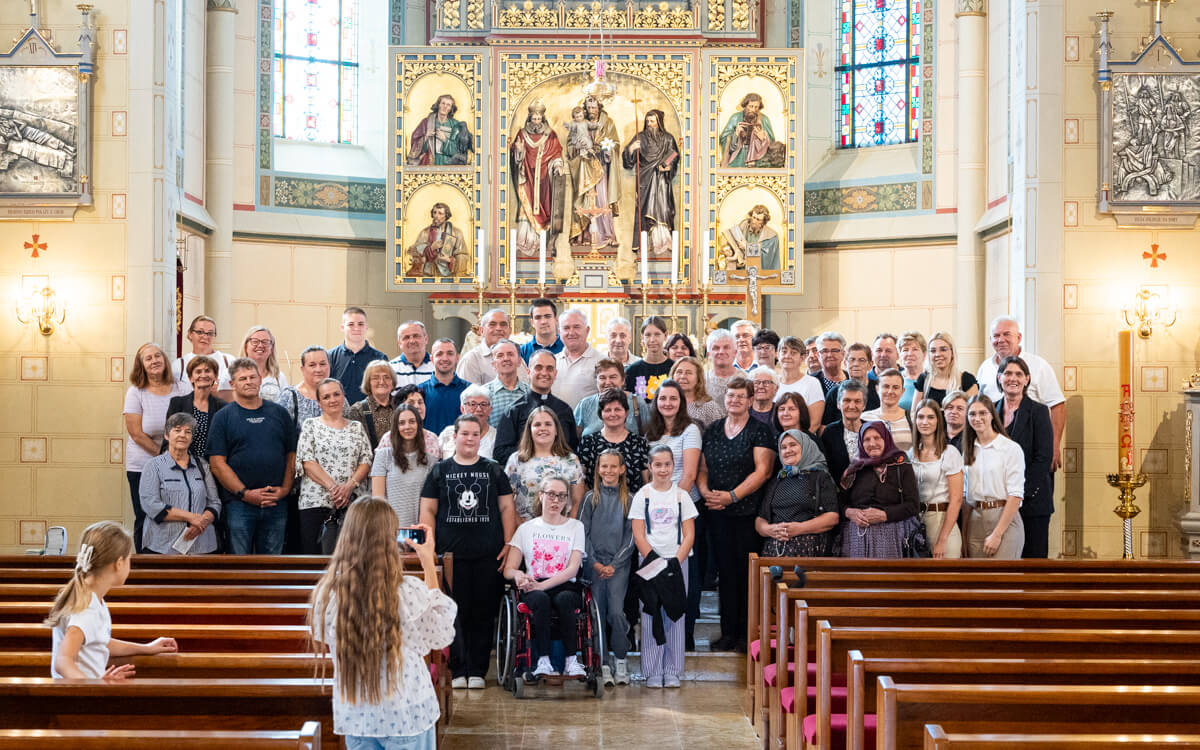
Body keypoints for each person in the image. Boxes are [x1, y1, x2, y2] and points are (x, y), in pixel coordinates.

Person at [309, 497, 455, 750]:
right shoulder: (407, 591)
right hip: (406, 713)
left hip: (358, 714)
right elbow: (440, 635)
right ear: (390, 541)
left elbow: (324, 637)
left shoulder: (328, 594)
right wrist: (428, 564)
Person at [419, 415, 517, 689]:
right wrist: (430, 548)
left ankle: (477, 670)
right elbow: (428, 510)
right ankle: (458, 669)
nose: (470, 438)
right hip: (451, 556)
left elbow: (507, 508)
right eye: (465, 434)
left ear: (480, 438)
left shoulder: (493, 470)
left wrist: (508, 543)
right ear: (455, 436)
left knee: (483, 613)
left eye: (475, 434)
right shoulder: (440, 471)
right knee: (454, 613)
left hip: (489, 554)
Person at [697, 377, 774, 652]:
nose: (735, 400)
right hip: (717, 513)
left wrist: (732, 496)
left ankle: (746, 635)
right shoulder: (714, 429)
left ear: (751, 400)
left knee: (746, 575)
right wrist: (706, 493)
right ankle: (727, 632)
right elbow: (703, 468)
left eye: (741, 396)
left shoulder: (760, 431)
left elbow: (763, 471)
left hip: (746, 514)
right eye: (731, 395)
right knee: (725, 574)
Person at [46, 521, 178, 680]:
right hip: (80, 694)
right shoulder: (87, 608)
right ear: (119, 563)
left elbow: (100, 642)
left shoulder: (90, 597)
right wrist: (94, 685)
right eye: (129, 559)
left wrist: (146, 648)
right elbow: (63, 661)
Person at [208, 358, 297, 555]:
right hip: (239, 504)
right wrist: (245, 494)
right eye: (243, 378)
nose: (249, 382)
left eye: (252, 377)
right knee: (239, 565)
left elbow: (292, 455)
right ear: (232, 384)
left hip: (276, 502)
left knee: (273, 566)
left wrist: (284, 489)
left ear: (260, 380)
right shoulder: (222, 417)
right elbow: (217, 464)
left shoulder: (280, 413)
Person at [504, 475, 588, 679]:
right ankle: (543, 661)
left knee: (565, 599)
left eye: (561, 496)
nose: (556, 500)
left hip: (565, 584)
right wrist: (519, 575)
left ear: (567, 500)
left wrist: (543, 586)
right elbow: (509, 569)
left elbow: (573, 569)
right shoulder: (526, 529)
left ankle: (571, 661)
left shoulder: (576, 527)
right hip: (534, 584)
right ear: (541, 496)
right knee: (540, 600)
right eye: (551, 494)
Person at [630, 446, 697, 688]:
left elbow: (689, 534)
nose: (662, 469)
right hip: (649, 563)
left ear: (673, 466)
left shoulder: (682, 496)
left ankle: (672, 670)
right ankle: (652, 670)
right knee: (650, 614)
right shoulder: (642, 495)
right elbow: (639, 534)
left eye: (667, 464)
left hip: (676, 563)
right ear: (650, 467)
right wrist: (654, 562)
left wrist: (674, 562)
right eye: (657, 464)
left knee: (675, 615)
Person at [647, 380, 704, 650]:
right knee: (656, 573)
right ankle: (658, 636)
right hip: (654, 513)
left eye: (673, 398)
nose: (667, 403)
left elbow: (689, 474)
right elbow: (649, 472)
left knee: (683, 574)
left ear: (681, 402)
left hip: (683, 510)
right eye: (663, 398)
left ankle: (686, 634)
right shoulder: (651, 431)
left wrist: (671, 505)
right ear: (656, 402)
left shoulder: (690, 430)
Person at [975, 315, 1066, 472]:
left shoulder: (1039, 365)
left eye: (1006, 334)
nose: (1001, 340)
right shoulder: (985, 368)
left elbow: (1057, 406)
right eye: (996, 336)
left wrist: (1054, 445)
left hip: (1032, 448)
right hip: (996, 453)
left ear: (1018, 337)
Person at [296, 379, 373, 554]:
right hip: (316, 503)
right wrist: (334, 489)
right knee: (315, 562)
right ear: (319, 402)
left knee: (350, 559)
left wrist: (348, 487)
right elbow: (307, 461)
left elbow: (366, 460)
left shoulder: (356, 427)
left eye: (336, 394)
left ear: (343, 397)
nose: (332, 400)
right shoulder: (310, 425)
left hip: (352, 503)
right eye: (326, 397)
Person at [124, 342, 188, 553]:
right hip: (143, 465)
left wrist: (174, 459)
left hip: (179, 463)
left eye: (158, 356)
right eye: (148, 358)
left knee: (177, 515)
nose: (154, 361)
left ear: (164, 359)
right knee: (146, 516)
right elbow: (136, 433)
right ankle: (144, 563)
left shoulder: (181, 387)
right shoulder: (136, 392)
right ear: (141, 365)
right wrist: (165, 458)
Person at [578, 450, 635, 687]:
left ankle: (620, 658)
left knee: (616, 613)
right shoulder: (590, 498)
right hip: (594, 566)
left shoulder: (629, 500)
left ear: (622, 469)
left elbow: (631, 538)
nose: (608, 471)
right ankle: (601, 662)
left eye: (613, 466)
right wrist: (595, 563)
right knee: (597, 615)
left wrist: (613, 565)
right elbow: (582, 534)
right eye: (604, 466)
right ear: (598, 469)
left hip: (618, 567)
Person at [994, 356, 1054, 559]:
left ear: (1027, 379)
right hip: (999, 502)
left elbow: (1043, 458)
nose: (1013, 378)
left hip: (1032, 502)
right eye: (1008, 373)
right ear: (999, 377)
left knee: (1032, 563)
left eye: (1019, 374)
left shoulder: (1039, 412)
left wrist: (1018, 494)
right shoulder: (990, 411)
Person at [138, 413, 222, 555]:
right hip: (162, 547)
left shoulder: (202, 466)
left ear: (191, 438)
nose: (183, 435)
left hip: (202, 546)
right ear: (166, 435)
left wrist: (201, 523)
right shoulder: (153, 466)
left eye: (188, 432)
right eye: (177, 430)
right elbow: (151, 505)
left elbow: (214, 502)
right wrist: (191, 517)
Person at [838, 421, 920, 559]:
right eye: (866, 439)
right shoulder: (854, 469)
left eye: (877, 438)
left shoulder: (901, 464)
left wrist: (884, 515)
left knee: (888, 573)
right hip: (857, 539)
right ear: (861, 443)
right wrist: (849, 512)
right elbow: (839, 503)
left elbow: (913, 505)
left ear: (886, 438)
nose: (872, 443)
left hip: (892, 537)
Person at [962, 394, 1026, 559]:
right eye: (972, 414)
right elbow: (966, 498)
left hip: (1003, 519)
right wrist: (963, 536)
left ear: (992, 415)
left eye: (982, 413)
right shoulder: (968, 450)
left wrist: (997, 534)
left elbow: (1015, 495)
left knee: (1002, 575)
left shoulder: (1010, 449)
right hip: (975, 520)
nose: (977, 418)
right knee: (977, 575)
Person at [756, 430, 839, 556]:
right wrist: (769, 530)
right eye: (783, 447)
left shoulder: (820, 477)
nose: (788, 450)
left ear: (805, 447)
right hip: (774, 553)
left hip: (810, 551)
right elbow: (760, 520)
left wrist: (799, 528)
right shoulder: (777, 480)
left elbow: (832, 517)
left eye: (793, 445)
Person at [493, 349, 578, 465]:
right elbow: (500, 453)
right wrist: (536, 451)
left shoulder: (565, 409)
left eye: (549, 368)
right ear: (528, 372)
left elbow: (573, 448)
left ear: (555, 374)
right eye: (538, 367)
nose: (544, 373)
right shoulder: (514, 410)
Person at [504, 407, 586, 520]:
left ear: (556, 430)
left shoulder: (571, 460)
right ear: (529, 430)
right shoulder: (516, 460)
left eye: (548, 424)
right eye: (537, 425)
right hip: (525, 526)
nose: (543, 428)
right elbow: (507, 501)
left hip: (562, 527)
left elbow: (578, 500)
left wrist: (568, 526)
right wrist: (521, 526)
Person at [909, 400, 964, 559]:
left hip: (942, 520)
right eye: (920, 417)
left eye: (930, 417)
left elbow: (956, 500)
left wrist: (942, 540)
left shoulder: (950, 452)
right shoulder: (910, 453)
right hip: (918, 522)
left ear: (938, 421)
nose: (925, 422)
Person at [621, 110, 679, 257]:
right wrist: (631, 149)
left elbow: (674, 154)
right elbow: (628, 162)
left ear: (659, 122)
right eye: (647, 121)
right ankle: (646, 243)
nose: (649, 124)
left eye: (652, 121)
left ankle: (664, 240)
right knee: (645, 211)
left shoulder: (668, 139)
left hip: (662, 181)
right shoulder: (640, 138)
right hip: (645, 181)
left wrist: (667, 166)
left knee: (663, 209)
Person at [577, 389, 651, 497]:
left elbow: (646, 482)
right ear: (600, 414)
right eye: (607, 410)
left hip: (632, 505)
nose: (613, 414)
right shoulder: (588, 442)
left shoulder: (639, 443)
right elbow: (580, 481)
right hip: (596, 504)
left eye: (617, 409)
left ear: (626, 412)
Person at [371, 405, 433, 527]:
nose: (407, 427)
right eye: (402, 423)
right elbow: (378, 503)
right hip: (389, 530)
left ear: (419, 425)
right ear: (396, 427)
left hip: (418, 531)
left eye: (412, 421)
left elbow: (430, 507)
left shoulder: (431, 461)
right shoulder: (383, 456)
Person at [162, 355, 228, 462]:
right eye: (198, 371)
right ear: (191, 378)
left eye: (207, 371)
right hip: (181, 464)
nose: (203, 375)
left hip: (211, 467)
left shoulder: (223, 407)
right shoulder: (177, 403)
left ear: (215, 377)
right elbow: (167, 440)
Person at [327, 306, 388, 405]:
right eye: (351, 324)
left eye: (360, 324)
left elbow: (384, 391)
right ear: (342, 327)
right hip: (338, 413)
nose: (356, 328)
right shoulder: (330, 357)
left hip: (370, 413)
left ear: (366, 327)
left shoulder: (380, 358)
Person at [279, 345, 350, 428]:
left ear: (329, 367)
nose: (318, 369)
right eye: (312, 365)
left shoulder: (338, 396)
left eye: (322, 364)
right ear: (303, 369)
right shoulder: (289, 397)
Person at [574, 360, 648, 438]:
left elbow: (648, 435)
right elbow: (574, 438)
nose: (608, 382)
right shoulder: (585, 404)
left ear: (623, 380)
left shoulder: (636, 402)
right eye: (602, 378)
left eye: (613, 377)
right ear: (596, 380)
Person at [457, 309, 529, 385]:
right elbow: (468, 391)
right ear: (482, 330)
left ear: (510, 330)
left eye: (503, 324)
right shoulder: (471, 360)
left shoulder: (518, 359)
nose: (498, 328)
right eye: (492, 324)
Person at [820, 381, 869, 489]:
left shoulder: (873, 430)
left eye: (857, 401)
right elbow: (825, 468)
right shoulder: (830, 433)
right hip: (839, 493)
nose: (852, 406)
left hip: (871, 493)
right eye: (847, 400)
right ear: (838, 404)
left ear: (864, 405)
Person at [913, 331, 978, 409]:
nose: (938, 354)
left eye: (943, 349)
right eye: (933, 351)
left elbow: (974, 412)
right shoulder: (923, 379)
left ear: (952, 353)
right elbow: (914, 412)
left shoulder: (967, 380)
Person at [553, 308, 603, 408]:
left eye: (576, 327)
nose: (571, 333)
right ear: (559, 332)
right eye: (566, 328)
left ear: (587, 330)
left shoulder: (602, 361)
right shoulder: (553, 362)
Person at [171, 315, 232, 396]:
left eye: (210, 333)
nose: (205, 336)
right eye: (200, 332)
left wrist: (221, 392)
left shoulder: (228, 361)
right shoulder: (179, 365)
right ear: (190, 334)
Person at [418, 338, 470, 435]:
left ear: (457, 357)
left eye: (450, 353)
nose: (445, 358)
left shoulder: (469, 390)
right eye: (439, 354)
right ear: (431, 359)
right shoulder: (419, 392)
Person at [821, 342, 880, 425]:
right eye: (852, 360)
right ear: (845, 364)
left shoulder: (879, 390)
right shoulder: (834, 393)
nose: (856, 364)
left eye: (861, 360)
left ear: (870, 365)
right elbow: (824, 426)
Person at [775, 336, 826, 432]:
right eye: (784, 351)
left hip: (803, 438)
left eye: (793, 353)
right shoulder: (772, 382)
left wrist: (796, 439)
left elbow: (814, 423)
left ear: (802, 357)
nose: (787, 356)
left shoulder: (812, 383)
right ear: (777, 355)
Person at [406, 92, 473, 165]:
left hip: (450, 163)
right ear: (438, 105)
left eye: (448, 105)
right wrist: (426, 137)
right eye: (443, 103)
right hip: (430, 162)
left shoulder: (456, 125)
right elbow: (415, 143)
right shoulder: (426, 122)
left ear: (451, 109)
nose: (445, 107)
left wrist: (445, 139)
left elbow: (459, 150)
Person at [405, 203, 469, 277]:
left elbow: (463, 255)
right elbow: (413, 251)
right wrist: (431, 248)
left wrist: (450, 260)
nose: (436, 216)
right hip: (428, 274)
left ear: (446, 216)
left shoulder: (456, 233)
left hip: (448, 276)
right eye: (434, 212)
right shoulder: (425, 233)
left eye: (440, 213)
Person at [347, 360, 398, 449]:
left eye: (386, 377)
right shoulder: (357, 410)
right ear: (368, 382)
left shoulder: (402, 407)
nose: (382, 382)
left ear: (393, 382)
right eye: (376, 378)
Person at [436, 385, 496, 459]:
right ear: (462, 409)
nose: (479, 409)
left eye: (483, 404)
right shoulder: (448, 433)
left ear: (490, 410)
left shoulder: (496, 437)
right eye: (473, 404)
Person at [383, 385, 443, 459]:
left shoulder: (432, 438)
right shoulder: (388, 439)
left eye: (420, 402)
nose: (417, 406)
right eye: (411, 403)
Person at [862, 369, 914, 452]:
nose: (890, 391)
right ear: (877, 389)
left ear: (902, 391)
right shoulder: (864, 418)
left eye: (895, 387)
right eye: (886, 386)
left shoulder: (912, 418)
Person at [483, 339, 531, 428]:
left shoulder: (531, 393)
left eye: (510, 354)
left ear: (519, 361)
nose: (506, 359)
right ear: (493, 364)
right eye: (500, 355)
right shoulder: (483, 394)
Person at [624, 316, 674, 402]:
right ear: (642, 338)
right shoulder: (631, 371)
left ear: (665, 335)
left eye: (657, 334)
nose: (652, 340)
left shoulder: (674, 368)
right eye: (648, 335)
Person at [720, 92, 775, 168]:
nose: (753, 109)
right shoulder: (735, 118)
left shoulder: (764, 120)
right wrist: (735, 135)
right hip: (738, 159)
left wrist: (764, 138)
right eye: (751, 106)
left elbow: (772, 142)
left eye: (756, 107)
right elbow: (724, 138)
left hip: (758, 161)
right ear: (745, 105)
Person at [671, 356, 724, 429]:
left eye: (688, 373)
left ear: (698, 378)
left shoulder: (710, 408)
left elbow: (719, 433)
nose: (682, 376)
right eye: (679, 372)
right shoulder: (665, 404)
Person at [240, 325, 289, 402]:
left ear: (272, 348)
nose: (260, 345)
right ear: (246, 346)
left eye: (265, 342)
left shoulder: (279, 377)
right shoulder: (233, 374)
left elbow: (285, 405)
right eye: (255, 341)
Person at [390, 321, 435, 388]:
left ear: (426, 339)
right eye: (406, 337)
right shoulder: (390, 369)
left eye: (416, 336)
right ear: (399, 343)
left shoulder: (438, 366)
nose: (412, 341)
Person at [519, 298, 564, 364]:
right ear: (532, 322)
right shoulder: (523, 352)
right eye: (538, 317)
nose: (543, 321)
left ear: (556, 319)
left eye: (547, 316)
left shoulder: (567, 347)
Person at [705, 329, 738, 410]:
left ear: (735, 352)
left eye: (726, 347)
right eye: (716, 348)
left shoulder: (746, 379)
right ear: (708, 354)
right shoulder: (701, 381)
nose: (721, 352)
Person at [897, 331, 927, 412]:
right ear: (899, 355)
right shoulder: (895, 379)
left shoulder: (931, 379)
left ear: (924, 354)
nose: (910, 354)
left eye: (915, 349)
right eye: (905, 350)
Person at [815, 332, 849, 396]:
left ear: (843, 354)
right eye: (825, 351)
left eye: (834, 350)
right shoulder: (811, 382)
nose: (829, 355)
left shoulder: (852, 379)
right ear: (818, 355)